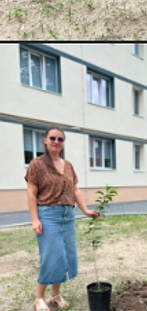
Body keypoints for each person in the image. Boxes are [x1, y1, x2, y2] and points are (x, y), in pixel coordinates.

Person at [25, 126, 99, 311]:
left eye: (60, 139)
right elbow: (31, 193)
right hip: (48, 215)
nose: (56, 142)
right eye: (52, 138)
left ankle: (55, 296)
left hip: (68, 216)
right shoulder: (37, 164)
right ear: (45, 140)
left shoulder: (68, 166)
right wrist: (35, 219)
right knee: (50, 257)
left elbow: (75, 190)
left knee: (64, 257)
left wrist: (86, 210)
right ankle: (38, 299)